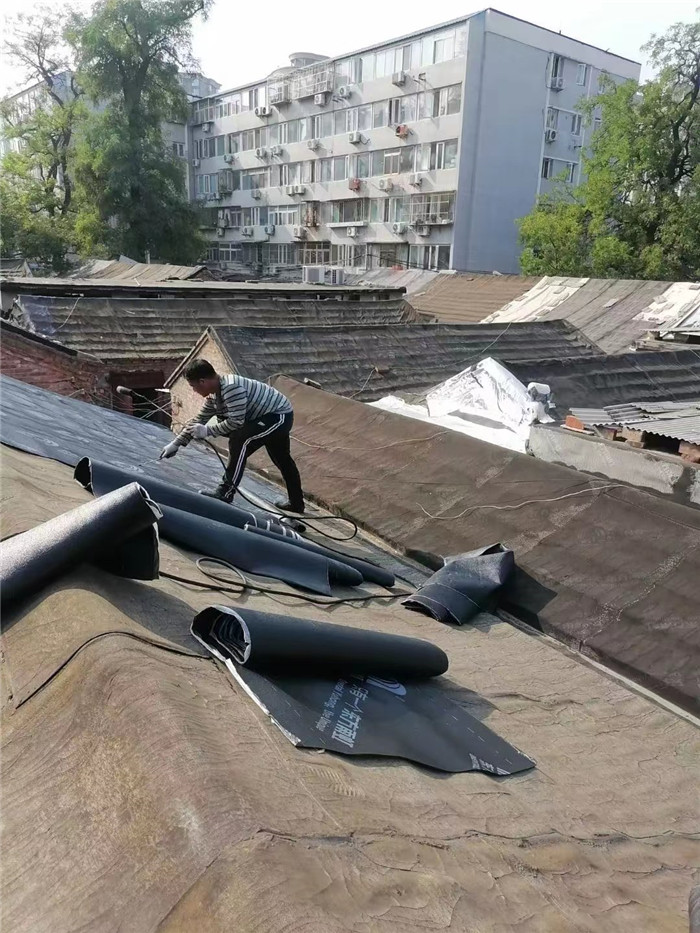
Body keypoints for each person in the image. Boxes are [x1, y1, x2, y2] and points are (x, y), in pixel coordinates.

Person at [160, 359, 305, 512]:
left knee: (240, 441)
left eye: (193, 386)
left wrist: (207, 431)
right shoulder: (214, 396)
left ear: (202, 381)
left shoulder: (231, 388)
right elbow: (198, 420)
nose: (194, 390)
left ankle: (225, 492)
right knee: (282, 459)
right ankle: (296, 504)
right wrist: (176, 444)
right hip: (265, 417)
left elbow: (236, 422)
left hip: (278, 415)